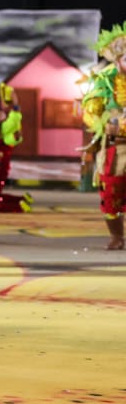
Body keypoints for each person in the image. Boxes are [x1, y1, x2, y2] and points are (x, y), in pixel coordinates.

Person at [81, 22, 126, 250]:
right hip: (115, 149)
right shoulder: (104, 81)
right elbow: (90, 111)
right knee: (111, 193)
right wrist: (101, 124)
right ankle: (117, 236)